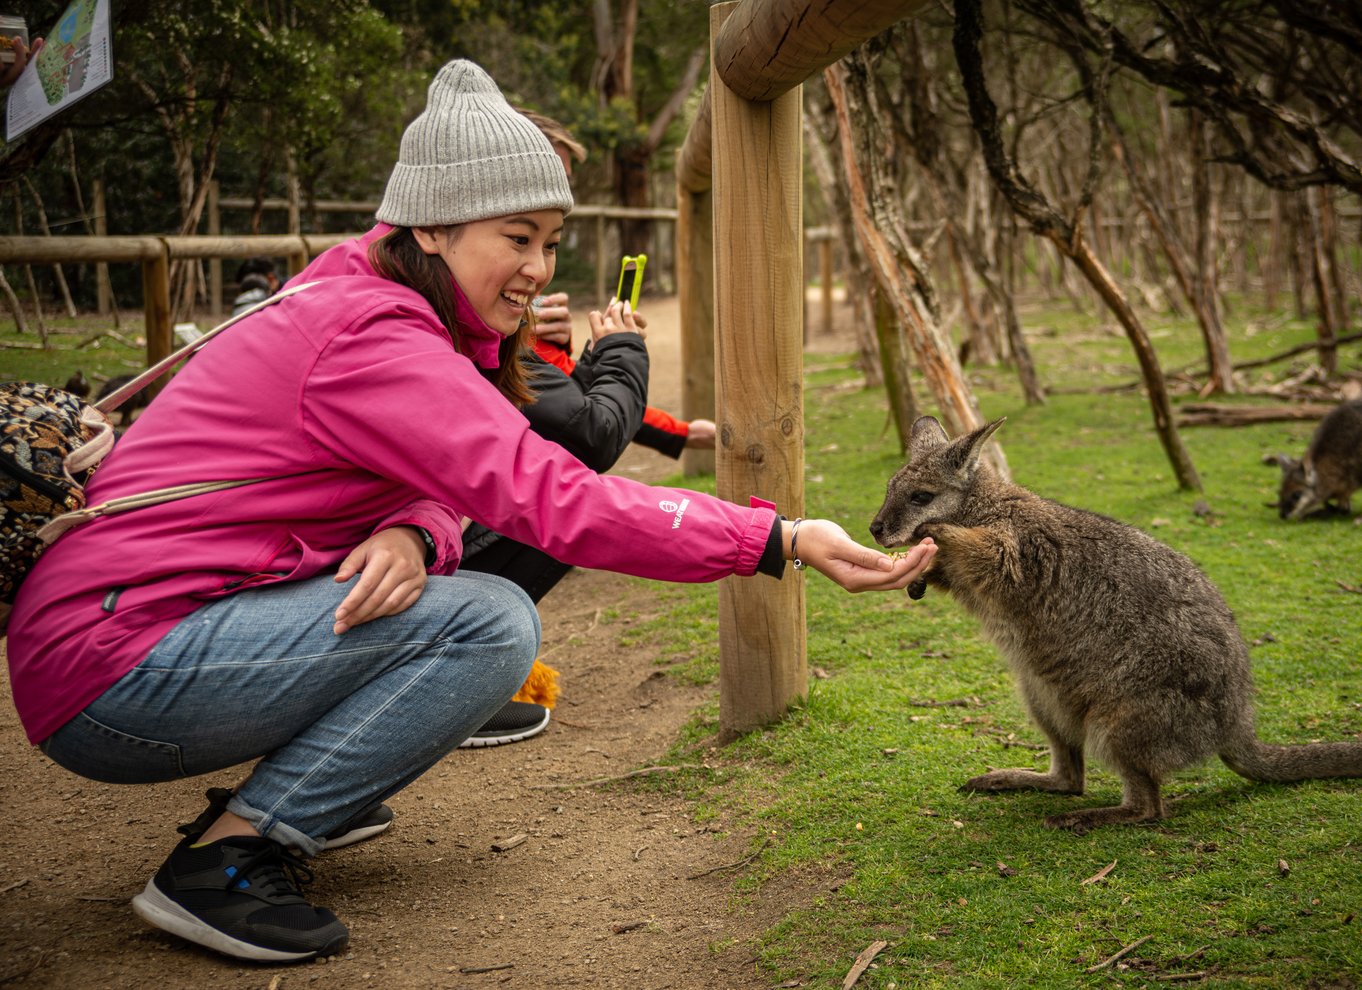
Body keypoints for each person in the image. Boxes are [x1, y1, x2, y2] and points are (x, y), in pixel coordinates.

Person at [4, 60, 935, 965]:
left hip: (137, 630)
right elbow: (550, 495)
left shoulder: (363, 288)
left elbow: (432, 469)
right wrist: (778, 537)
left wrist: (415, 525)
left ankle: (318, 785)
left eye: (551, 241)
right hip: (111, 669)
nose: (537, 267)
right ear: (436, 230)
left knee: (461, 599)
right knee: (491, 625)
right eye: (516, 237)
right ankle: (225, 863)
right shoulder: (376, 337)